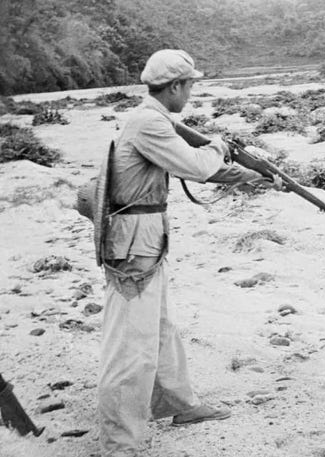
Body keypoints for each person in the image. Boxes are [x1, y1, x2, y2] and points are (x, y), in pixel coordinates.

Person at [98, 49, 279, 457]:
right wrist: (218, 145)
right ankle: (120, 443)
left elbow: (200, 167)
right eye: (190, 85)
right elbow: (197, 167)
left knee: (160, 328)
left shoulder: (154, 120)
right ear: (176, 86)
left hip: (145, 240)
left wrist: (255, 176)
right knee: (130, 346)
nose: (191, 93)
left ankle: (179, 404)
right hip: (133, 244)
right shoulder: (150, 123)